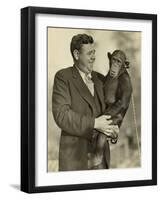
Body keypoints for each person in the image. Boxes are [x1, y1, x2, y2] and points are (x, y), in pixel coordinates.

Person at [52, 34, 119, 171]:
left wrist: (114, 128)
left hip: (101, 162)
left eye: (94, 52)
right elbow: (62, 116)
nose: (94, 57)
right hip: (75, 162)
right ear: (76, 54)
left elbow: (109, 113)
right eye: (89, 53)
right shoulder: (63, 77)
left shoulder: (100, 79)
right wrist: (95, 123)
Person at [92, 50, 133, 169]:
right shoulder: (109, 76)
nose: (114, 65)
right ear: (110, 60)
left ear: (123, 65)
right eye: (113, 61)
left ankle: (97, 158)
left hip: (115, 115)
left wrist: (105, 115)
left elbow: (123, 104)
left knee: (100, 135)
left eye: (118, 62)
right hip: (106, 111)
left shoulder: (125, 79)